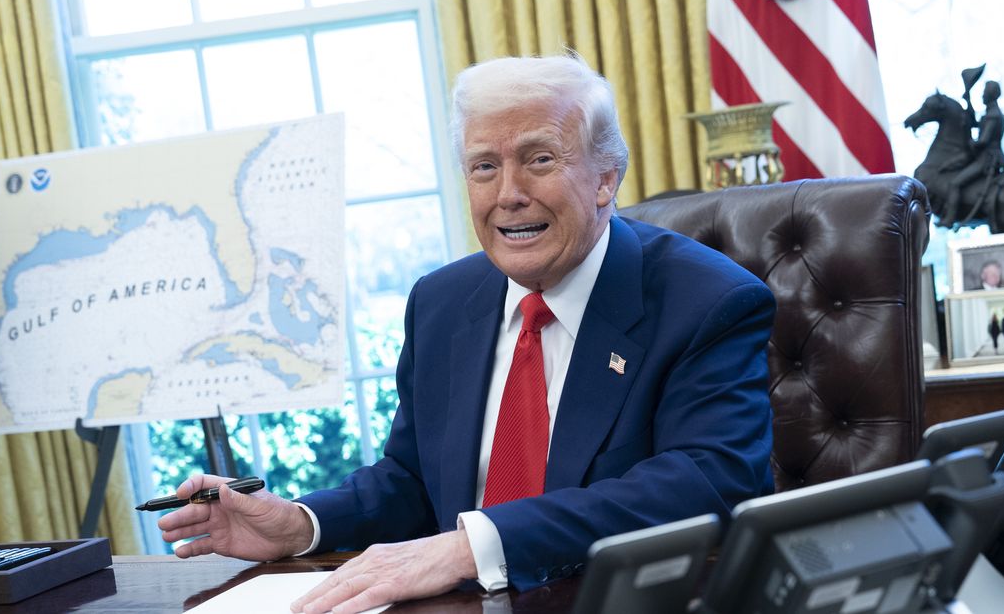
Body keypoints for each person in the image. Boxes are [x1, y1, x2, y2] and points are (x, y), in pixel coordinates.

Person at [157, 54, 776, 614]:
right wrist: (301, 523)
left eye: (539, 159)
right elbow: (412, 478)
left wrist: (471, 546)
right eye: (484, 167)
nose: (509, 195)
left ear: (604, 179)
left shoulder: (707, 302)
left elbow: (706, 483)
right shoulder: (441, 303)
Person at [941, 81, 1004, 227]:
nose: (982, 95)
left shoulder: (993, 116)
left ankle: (949, 219)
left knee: (955, 184)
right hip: (985, 156)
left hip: (987, 159)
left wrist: (970, 142)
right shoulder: (991, 113)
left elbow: (983, 140)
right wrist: (968, 101)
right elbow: (975, 123)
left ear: (990, 95)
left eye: (984, 92)